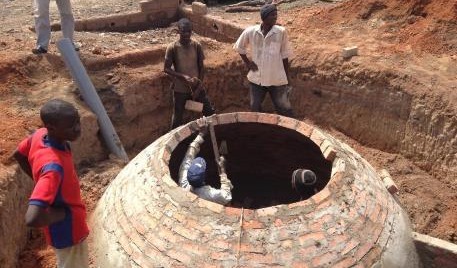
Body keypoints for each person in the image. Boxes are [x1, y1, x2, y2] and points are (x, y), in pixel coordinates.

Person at [13, 99, 89, 268]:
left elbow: (18, 154)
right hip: (69, 232)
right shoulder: (53, 167)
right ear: (52, 127)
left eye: (77, 121)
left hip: (63, 229)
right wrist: (64, 214)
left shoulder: (39, 135)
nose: (78, 128)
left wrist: (39, 180)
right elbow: (33, 218)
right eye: (71, 126)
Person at [233, 4, 294, 117]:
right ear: (264, 17)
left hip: (276, 78)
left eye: (276, 14)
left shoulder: (281, 32)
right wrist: (248, 63)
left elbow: (285, 56)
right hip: (257, 79)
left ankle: (289, 132)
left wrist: (287, 78)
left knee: (284, 108)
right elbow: (239, 47)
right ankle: (259, 129)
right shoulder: (251, 32)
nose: (275, 17)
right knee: (254, 107)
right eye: (272, 15)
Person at [164, 18, 215, 130]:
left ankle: (211, 134)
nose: (187, 34)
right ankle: (176, 143)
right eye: (183, 31)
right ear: (178, 31)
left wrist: (198, 88)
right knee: (177, 118)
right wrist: (183, 77)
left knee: (209, 112)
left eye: (189, 31)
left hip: (197, 87)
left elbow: (202, 68)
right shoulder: (172, 48)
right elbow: (166, 69)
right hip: (180, 89)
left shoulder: (196, 46)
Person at [178, 118, 233, 205]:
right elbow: (226, 197)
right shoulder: (208, 194)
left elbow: (189, 155)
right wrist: (223, 170)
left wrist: (201, 134)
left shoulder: (183, 181)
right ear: (204, 178)